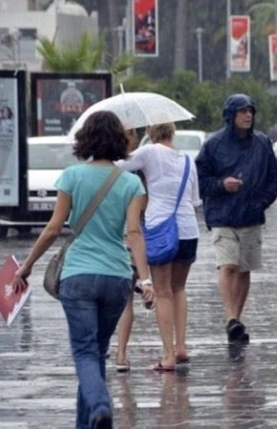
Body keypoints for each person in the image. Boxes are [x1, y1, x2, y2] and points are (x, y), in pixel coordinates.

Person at [11, 110, 154, 428]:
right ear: (120, 140)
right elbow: (134, 234)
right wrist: (145, 280)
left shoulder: (72, 176)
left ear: (85, 139)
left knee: (85, 353)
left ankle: (101, 406)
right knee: (97, 353)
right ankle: (88, 421)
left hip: (78, 277)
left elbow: (52, 229)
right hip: (117, 278)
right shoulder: (131, 182)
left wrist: (27, 266)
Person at [195, 93, 277, 344]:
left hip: (251, 216)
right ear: (230, 115)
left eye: (250, 111)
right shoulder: (213, 145)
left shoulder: (262, 143)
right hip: (222, 216)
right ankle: (230, 317)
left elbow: (275, 179)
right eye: (242, 111)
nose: (247, 116)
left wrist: (261, 203)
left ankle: (237, 319)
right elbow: (200, 181)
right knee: (228, 265)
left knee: (244, 270)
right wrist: (222, 185)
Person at [116, 122, 201, 370]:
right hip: (187, 230)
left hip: (161, 229)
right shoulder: (188, 159)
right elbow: (195, 200)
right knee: (179, 289)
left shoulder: (149, 152)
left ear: (150, 133)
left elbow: (120, 166)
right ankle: (182, 346)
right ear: (172, 131)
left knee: (162, 292)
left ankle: (168, 356)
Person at [113, 128, 148, 373]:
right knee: (126, 302)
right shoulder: (139, 170)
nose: (134, 137)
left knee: (118, 301)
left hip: (109, 241)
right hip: (130, 238)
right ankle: (121, 354)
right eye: (131, 134)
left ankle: (114, 349)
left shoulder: (101, 167)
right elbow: (145, 205)